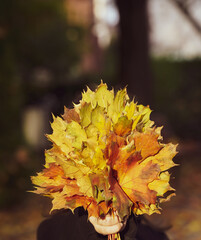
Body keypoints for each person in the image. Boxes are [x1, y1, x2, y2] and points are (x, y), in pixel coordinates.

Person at [37, 207, 169, 240]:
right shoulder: (56, 228)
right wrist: (87, 223)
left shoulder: (154, 236)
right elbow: (49, 232)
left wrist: (126, 229)